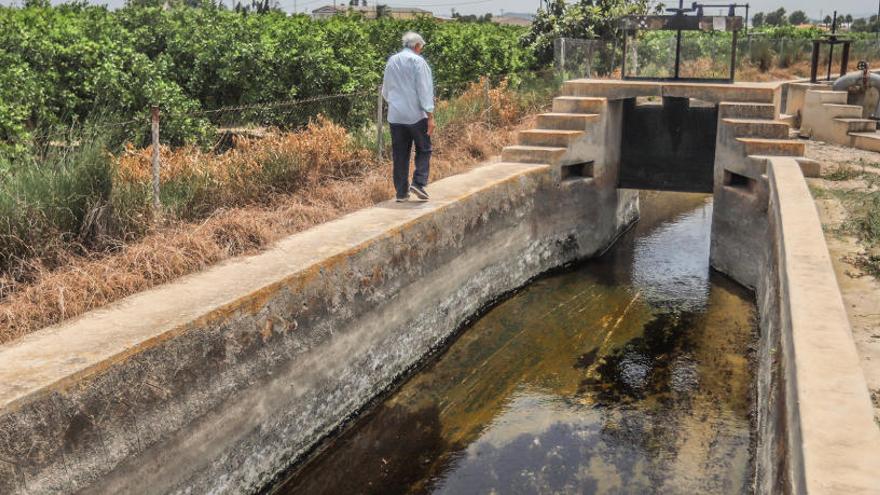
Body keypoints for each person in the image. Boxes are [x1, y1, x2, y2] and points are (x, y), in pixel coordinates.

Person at [381, 32, 435, 202]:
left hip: (396, 116)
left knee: (400, 154)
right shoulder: (418, 62)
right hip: (416, 115)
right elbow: (424, 90)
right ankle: (418, 183)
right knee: (424, 148)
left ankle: (401, 193)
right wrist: (430, 116)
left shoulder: (392, 61)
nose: (421, 50)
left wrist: (396, 104)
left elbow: (386, 90)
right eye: (421, 47)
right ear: (417, 46)